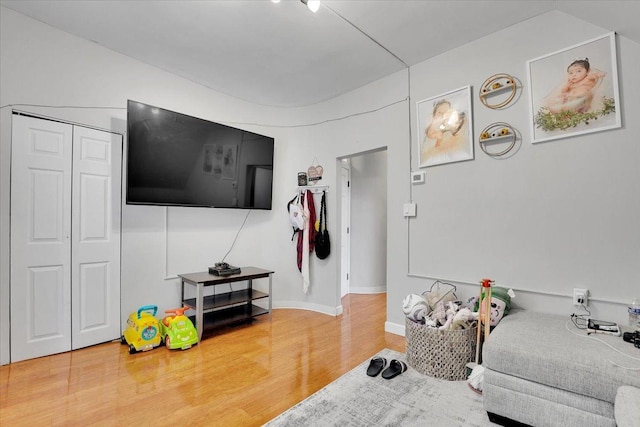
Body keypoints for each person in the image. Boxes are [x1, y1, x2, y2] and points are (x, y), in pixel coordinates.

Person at [421, 99, 467, 165]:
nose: (442, 115)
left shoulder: (449, 137)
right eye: (439, 112)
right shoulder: (426, 139)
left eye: (445, 113)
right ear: (434, 116)